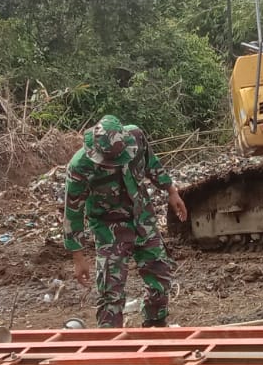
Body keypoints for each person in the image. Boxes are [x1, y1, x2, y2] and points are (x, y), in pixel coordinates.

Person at [63, 115, 188, 328]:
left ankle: (154, 329)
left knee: (161, 279)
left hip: (142, 218)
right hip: (108, 227)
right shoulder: (80, 167)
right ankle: (111, 345)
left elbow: (152, 164)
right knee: (110, 292)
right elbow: (73, 212)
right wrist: (78, 257)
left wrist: (171, 191)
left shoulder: (137, 137)